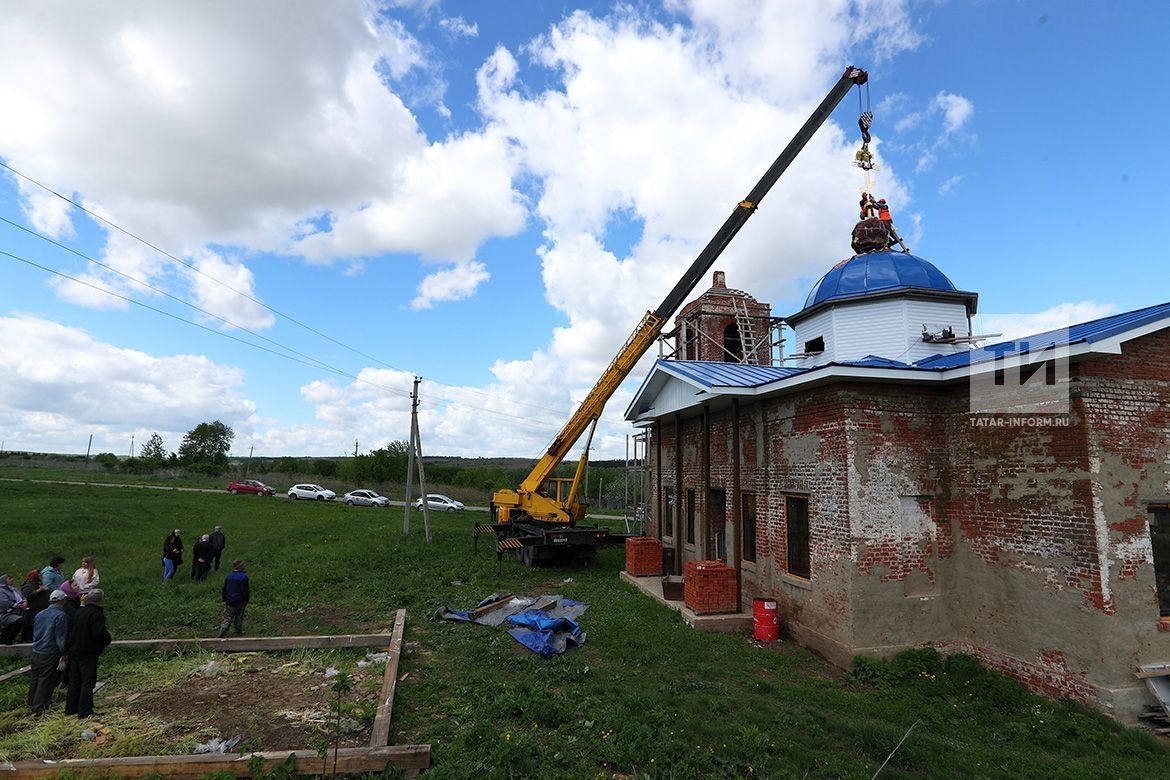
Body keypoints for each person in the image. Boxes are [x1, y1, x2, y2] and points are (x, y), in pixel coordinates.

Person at [65, 588, 111, 719]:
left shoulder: (80, 611)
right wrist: (107, 638)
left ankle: (71, 708)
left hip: (75, 650)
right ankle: (85, 710)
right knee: (88, 681)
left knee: (75, 680)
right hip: (88, 651)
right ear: (100, 600)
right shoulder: (96, 614)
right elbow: (98, 633)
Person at [28, 589, 69, 713]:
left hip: (37, 650)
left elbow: (35, 632)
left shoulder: (40, 614)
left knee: (35, 677)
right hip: (50, 652)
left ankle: (31, 701)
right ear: (62, 600)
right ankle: (40, 707)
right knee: (46, 680)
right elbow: (60, 638)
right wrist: (64, 653)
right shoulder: (61, 616)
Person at [218, 560, 250, 638]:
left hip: (229, 600)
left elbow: (225, 588)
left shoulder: (229, 576)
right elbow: (245, 590)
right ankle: (238, 629)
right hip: (239, 600)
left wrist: (224, 598)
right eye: (243, 564)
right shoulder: (243, 577)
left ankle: (223, 630)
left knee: (227, 616)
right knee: (239, 616)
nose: (245, 565)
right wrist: (246, 599)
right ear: (239, 566)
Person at [20, 569, 50, 643]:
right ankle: (26, 639)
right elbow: (27, 596)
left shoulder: (39, 583)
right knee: (30, 626)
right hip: (32, 609)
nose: (41, 576)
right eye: (39, 575)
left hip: (41, 608)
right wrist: (39, 590)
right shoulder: (28, 585)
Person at [0, 574, 28, 644]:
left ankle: (4, 639)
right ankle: (9, 639)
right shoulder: (1, 590)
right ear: (4, 580)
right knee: (19, 621)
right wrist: (16, 605)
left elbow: (22, 597)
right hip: (7, 613)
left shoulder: (14, 589)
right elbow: (3, 602)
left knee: (11, 625)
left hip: (18, 612)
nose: (12, 579)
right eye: (9, 578)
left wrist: (25, 602)